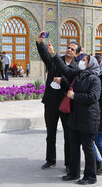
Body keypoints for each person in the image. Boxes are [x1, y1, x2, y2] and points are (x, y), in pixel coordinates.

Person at [49, 46, 101, 185]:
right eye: (81, 60)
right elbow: (64, 69)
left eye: (84, 60)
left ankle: (90, 176)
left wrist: (75, 96)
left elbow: (93, 97)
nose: (80, 62)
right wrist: (54, 55)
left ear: (90, 64)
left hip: (88, 118)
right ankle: (74, 173)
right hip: (75, 117)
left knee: (88, 148)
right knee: (73, 146)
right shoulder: (78, 75)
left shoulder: (94, 79)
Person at [36, 32, 79, 172]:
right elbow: (45, 56)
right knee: (51, 133)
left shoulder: (77, 68)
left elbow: (75, 83)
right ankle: (50, 160)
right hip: (51, 103)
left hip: (66, 105)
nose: (69, 50)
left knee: (68, 135)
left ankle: (68, 163)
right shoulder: (56, 60)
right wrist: (40, 42)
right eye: (68, 47)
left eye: (72, 49)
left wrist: (63, 81)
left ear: (76, 54)